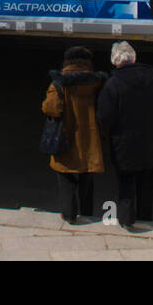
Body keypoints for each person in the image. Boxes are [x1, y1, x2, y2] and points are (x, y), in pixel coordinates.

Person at [96, 41, 153, 230]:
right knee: (145, 183)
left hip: (123, 144)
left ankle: (126, 219)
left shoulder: (113, 84)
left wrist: (105, 135)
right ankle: (146, 217)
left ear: (115, 61)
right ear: (134, 58)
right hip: (150, 143)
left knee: (126, 184)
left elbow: (104, 117)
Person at [41, 46, 107, 223]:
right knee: (86, 179)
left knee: (65, 177)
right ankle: (87, 213)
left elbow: (51, 108)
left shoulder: (58, 83)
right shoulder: (96, 83)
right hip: (89, 140)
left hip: (66, 139)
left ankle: (69, 214)